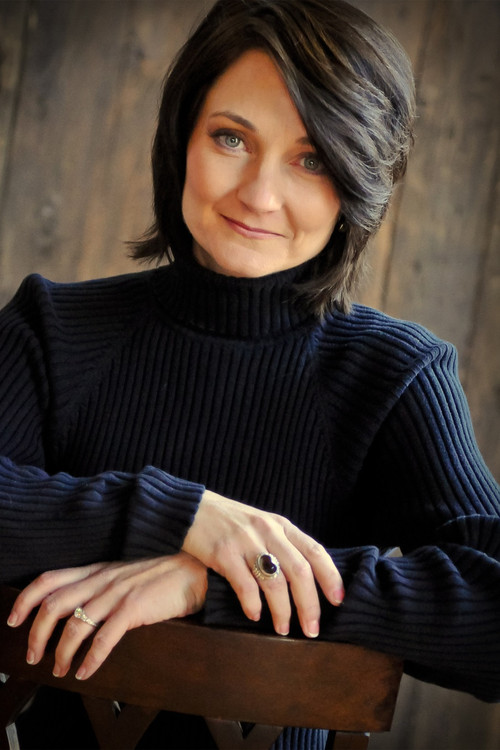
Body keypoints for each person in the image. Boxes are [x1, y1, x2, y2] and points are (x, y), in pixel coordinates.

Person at [1, 0, 499, 747]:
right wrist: (181, 517)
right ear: (182, 135)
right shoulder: (50, 329)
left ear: (357, 182)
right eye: (231, 138)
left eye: (312, 158)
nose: (260, 195)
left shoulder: (396, 375)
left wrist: (224, 579)